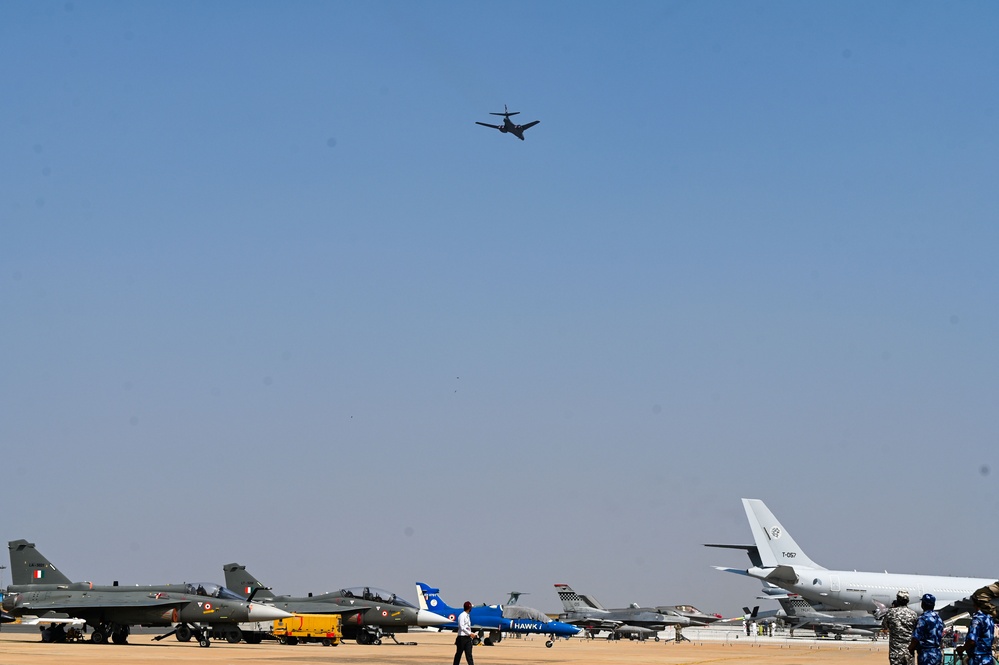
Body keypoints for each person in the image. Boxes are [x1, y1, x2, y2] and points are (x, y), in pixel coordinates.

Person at [882, 590, 918, 665]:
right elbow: (916, 630)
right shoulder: (913, 614)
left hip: (895, 652)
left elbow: (885, 627)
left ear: (897, 599)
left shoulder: (891, 613)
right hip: (909, 651)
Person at [957, 598, 996, 665]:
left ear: (975, 605)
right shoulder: (989, 618)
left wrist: (962, 648)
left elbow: (972, 641)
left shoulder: (977, 619)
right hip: (988, 657)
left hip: (978, 658)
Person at [909, 594, 944, 665]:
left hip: (926, 654)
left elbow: (916, 637)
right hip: (937, 653)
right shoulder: (938, 618)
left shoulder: (923, 618)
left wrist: (910, 648)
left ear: (923, 604)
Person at [453, 601, 474, 665]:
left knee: (469, 655)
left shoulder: (467, 616)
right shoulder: (462, 616)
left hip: (467, 638)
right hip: (462, 638)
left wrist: (470, 633)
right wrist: (469, 633)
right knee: (459, 654)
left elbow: (467, 626)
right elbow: (461, 626)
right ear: (469, 608)